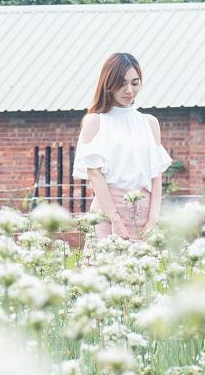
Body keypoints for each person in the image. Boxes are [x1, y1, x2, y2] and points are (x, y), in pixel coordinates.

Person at [71, 52, 173, 242]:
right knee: (102, 269)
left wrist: (153, 218)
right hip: (108, 211)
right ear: (108, 84)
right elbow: (94, 174)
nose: (129, 90)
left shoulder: (150, 123)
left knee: (142, 269)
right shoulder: (95, 121)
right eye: (122, 84)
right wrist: (115, 219)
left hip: (144, 212)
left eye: (135, 83)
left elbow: (156, 175)